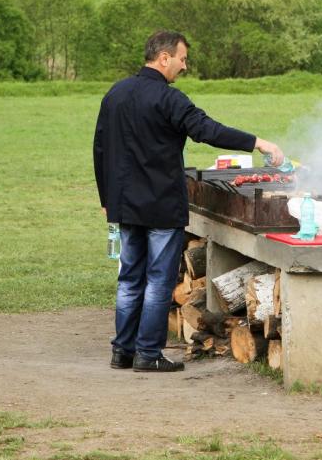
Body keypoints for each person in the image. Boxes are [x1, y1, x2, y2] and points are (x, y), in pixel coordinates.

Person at [94, 31, 284, 373]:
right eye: (182, 59)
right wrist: (258, 142)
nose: (185, 66)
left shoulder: (115, 94)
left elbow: (100, 149)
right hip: (160, 204)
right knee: (158, 280)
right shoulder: (169, 99)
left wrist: (107, 197)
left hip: (125, 203)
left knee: (129, 279)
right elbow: (208, 130)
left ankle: (122, 351)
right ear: (164, 58)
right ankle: (148, 354)